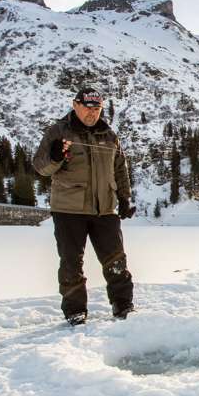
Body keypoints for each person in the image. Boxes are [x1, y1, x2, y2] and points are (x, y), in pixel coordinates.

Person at [33, 87, 136, 325]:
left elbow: (120, 168)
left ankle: (123, 306)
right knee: (71, 262)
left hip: (105, 209)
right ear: (75, 105)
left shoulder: (108, 134)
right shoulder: (59, 131)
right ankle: (75, 311)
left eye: (97, 109)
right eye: (88, 108)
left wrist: (124, 198)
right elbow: (40, 166)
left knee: (116, 260)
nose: (92, 114)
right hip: (69, 210)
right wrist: (56, 157)